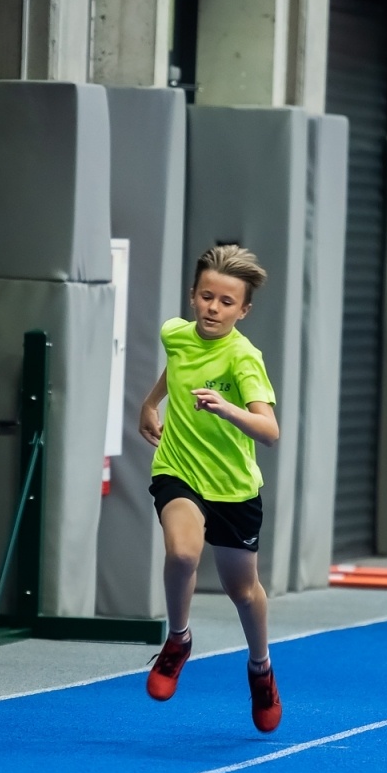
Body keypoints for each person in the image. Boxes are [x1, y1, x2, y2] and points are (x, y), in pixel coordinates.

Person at [137, 244, 283, 732]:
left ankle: (260, 669)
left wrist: (227, 408)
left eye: (226, 302)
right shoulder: (175, 334)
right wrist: (151, 403)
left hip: (233, 487)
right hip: (178, 468)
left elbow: (269, 431)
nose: (213, 308)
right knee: (182, 554)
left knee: (242, 590)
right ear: (192, 296)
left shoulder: (244, 358)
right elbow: (178, 367)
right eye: (206, 297)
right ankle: (178, 639)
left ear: (243, 310)